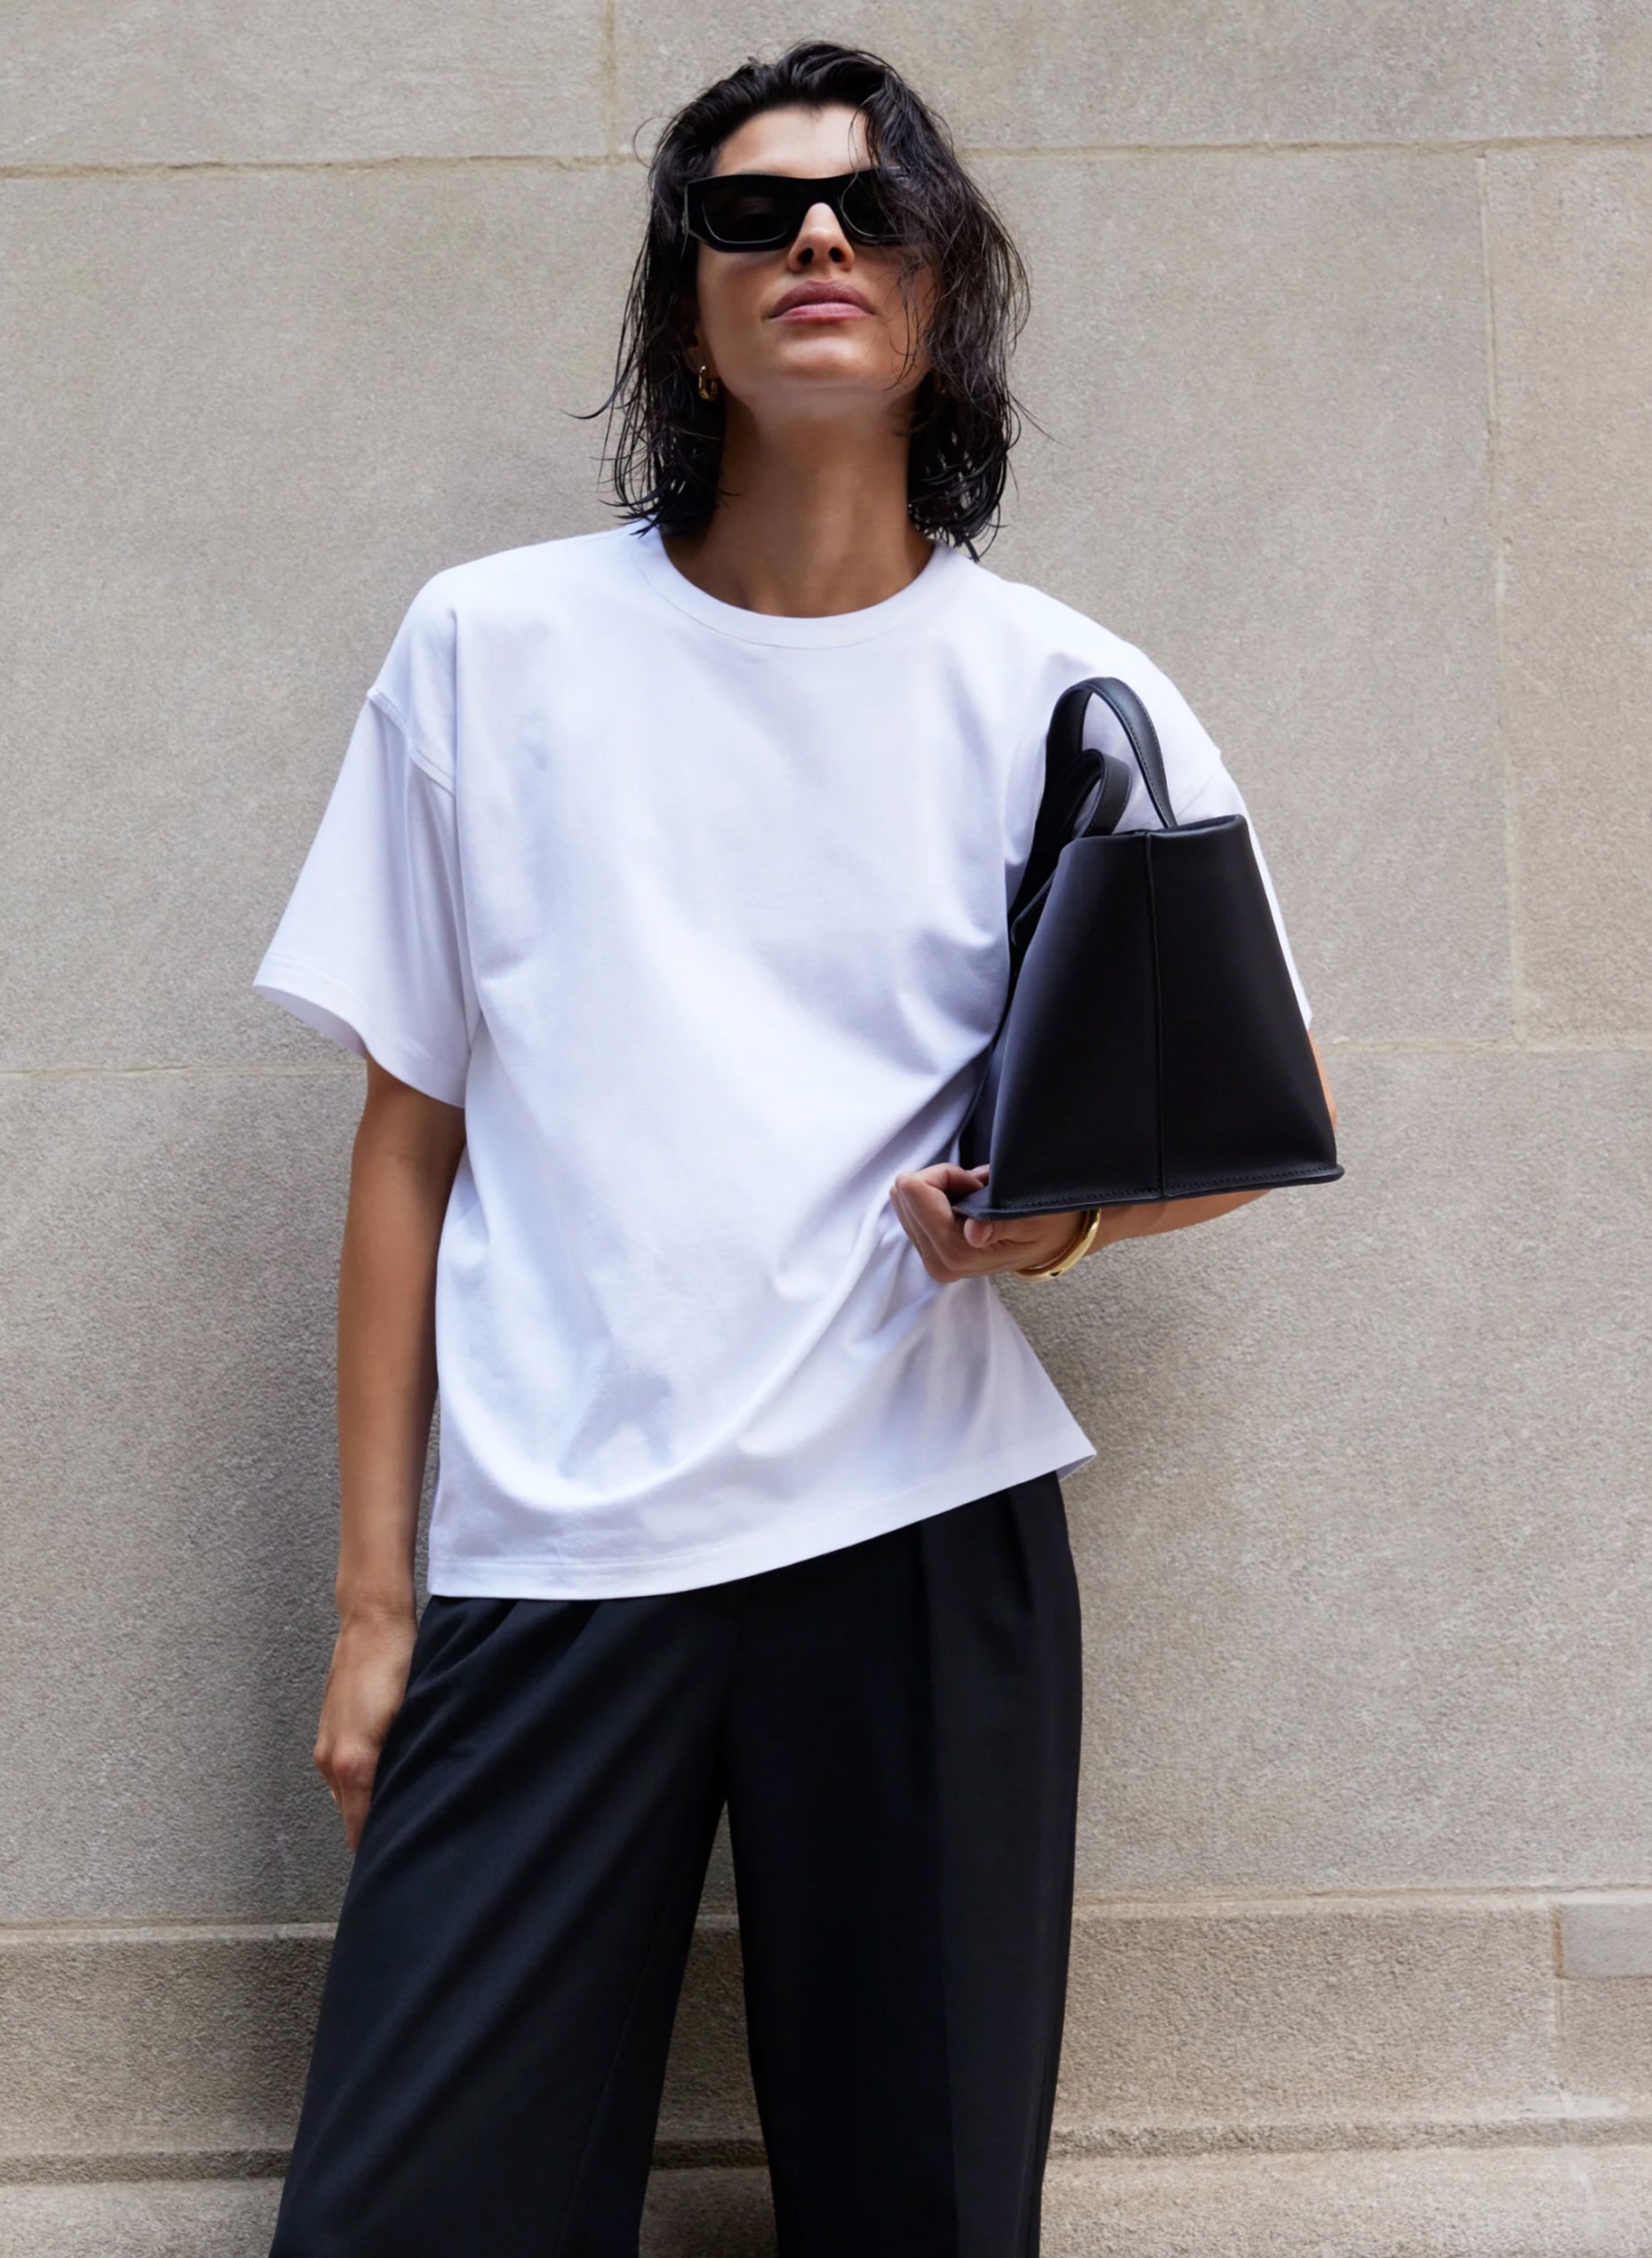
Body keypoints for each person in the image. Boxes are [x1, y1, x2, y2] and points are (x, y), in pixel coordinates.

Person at [253, 40, 1336, 2258]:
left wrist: (1047, 1230)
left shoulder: (1068, 689)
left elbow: (1262, 1108)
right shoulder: (492, 645)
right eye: (748, 214)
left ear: (942, 295)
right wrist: (375, 1609)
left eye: (870, 207)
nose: (815, 237)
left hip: (918, 1531)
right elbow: (407, 1135)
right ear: (688, 311)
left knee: (921, 2210)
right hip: (558, 1536)